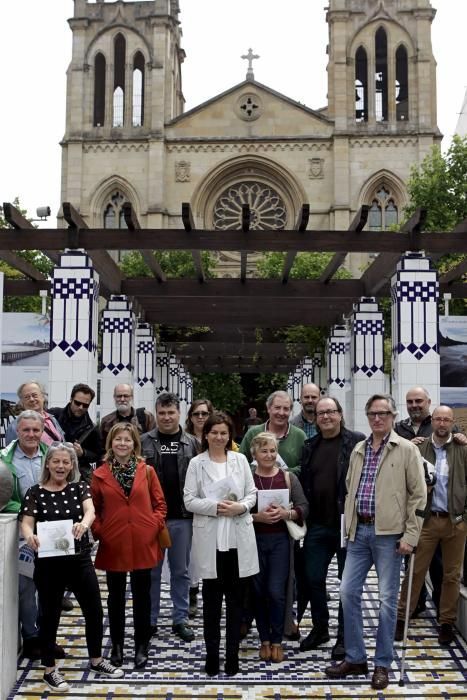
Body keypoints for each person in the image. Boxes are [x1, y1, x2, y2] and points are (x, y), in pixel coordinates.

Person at [325, 393, 426, 691]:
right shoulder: (359, 448)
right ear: (367, 417)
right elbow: (349, 489)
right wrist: (349, 526)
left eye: (383, 413)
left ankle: (382, 663)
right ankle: (356, 657)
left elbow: (418, 495)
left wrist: (410, 535)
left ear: (393, 416)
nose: (378, 418)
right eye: (372, 414)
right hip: (359, 533)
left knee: (385, 601)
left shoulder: (406, 449)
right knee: (347, 592)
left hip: (390, 536)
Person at [20, 442, 124, 692]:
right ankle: (49, 670)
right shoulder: (35, 492)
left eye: (66, 462)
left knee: (94, 611)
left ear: (72, 467)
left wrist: (85, 525)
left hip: (78, 559)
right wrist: (29, 536)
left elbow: (90, 512)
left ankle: (97, 660)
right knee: (49, 616)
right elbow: (26, 522)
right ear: (48, 464)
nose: (61, 466)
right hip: (47, 562)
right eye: (56, 461)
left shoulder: (79, 488)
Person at [184, 411, 259, 677]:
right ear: (206, 435)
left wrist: (239, 506)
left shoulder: (240, 460)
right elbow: (189, 500)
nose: (218, 437)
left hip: (238, 540)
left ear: (230, 436)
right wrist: (216, 507)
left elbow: (252, 494)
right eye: (214, 432)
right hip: (211, 542)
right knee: (212, 604)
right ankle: (212, 656)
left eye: (223, 433)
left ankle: (232, 657)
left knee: (236, 604)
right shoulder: (196, 463)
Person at [91, 422, 167, 670]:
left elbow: (160, 504)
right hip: (114, 541)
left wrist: (153, 525)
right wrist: (100, 530)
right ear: (110, 443)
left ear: (135, 443)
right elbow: (94, 508)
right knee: (115, 597)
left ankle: (141, 645)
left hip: (143, 540)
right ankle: (117, 645)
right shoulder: (100, 474)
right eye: (118, 439)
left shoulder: (147, 471)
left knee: (142, 596)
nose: (122, 444)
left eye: (127, 439)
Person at [298, 396, 365, 659]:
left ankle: (344, 637)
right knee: (313, 579)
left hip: (348, 525)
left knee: (347, 583)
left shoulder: (357, 441)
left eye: (331, 412)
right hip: (317, 524)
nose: (325, 416)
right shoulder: (309, 445)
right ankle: (320, 628)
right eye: (320, 413)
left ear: (340, 414)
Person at [395, 405, 467, 646]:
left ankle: (446, 621)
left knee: (451, 575)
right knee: (415, 571)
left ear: (452, 422)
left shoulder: (462, 448)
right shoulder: (419, 448)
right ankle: (402, 618)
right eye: (438, 419)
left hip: (455, 522)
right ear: (432, 421)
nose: (443, 424)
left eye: (447, 420)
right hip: (425, 521)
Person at [141, 392, 198, 642]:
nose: (166, 417)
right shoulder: (143, 442)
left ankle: (180, 618)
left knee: (181, 571)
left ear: (179, 414)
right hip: (151, 518)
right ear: (157, 413)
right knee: (151, 571)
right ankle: (150, 619)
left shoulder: (192, 442)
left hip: (182, 517)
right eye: (162, 413)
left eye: (171, 413)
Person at [250, 431, 308, 663]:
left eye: (273, 450)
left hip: (280, 542)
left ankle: (277, 640)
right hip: (254, 541)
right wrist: (257, 518)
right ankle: (264, 639)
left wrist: (288, 513)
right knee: (257, 591)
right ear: (254, 453)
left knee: (276, 591)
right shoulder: (248, 479)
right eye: (264, 450)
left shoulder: (287, 478)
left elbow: (304, 505)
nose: (269, 455)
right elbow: (239, 510)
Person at [1, 410, 50, 659]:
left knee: (51, 588)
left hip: (52, 533)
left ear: (42, 431)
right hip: (23, 535)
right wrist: (24, 511)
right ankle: (31, 637)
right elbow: (3, 497)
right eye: (26, 430)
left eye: (36, 430)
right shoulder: (4, 459)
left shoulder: (52, 455)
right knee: (26, 587)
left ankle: (47, 637)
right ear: (17, 431)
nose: (31, 434)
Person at [240, 390, 306, 474]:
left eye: (286, 409)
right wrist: (261, 472)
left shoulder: (299, 436)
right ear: (268, 408)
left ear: (290, 411)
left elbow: (306, 467)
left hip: (291, 485)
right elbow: (241, 463)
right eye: (277, 408)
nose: (281, 413)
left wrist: (281, 474)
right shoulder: (253, 434)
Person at [49, 383, 102, 484]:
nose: (81, 407)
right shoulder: (53, 415)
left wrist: (83, 453)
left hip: (75, 474)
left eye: (85, 405)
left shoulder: (92, 428)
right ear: (71, 399)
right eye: (77, 403)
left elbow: (98, 455)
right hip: (51, 469)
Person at [6, 381, 64, 446]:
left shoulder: (52, 419)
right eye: (27, 397)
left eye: (34, 395)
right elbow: (12, 453)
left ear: (43, 397)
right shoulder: (15, 426)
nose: (31, 399)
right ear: (22, 402)